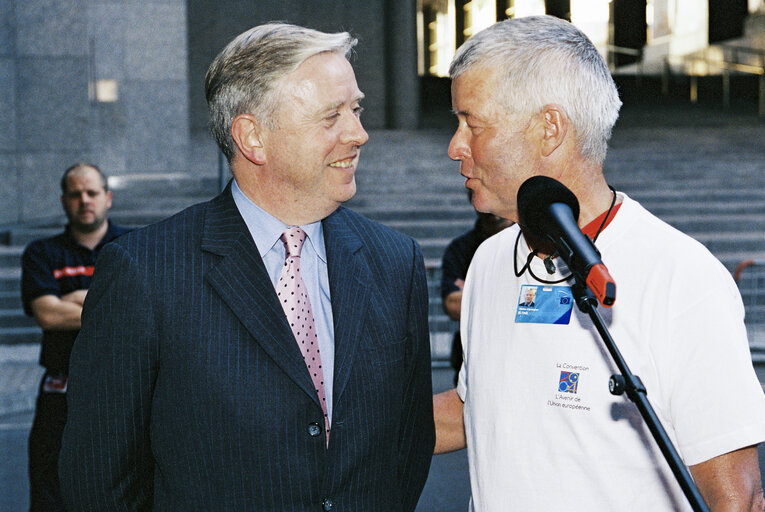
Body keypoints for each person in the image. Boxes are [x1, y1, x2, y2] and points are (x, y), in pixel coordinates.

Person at [58, 23, 434, 512]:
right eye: (331, 116)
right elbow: (98, 480)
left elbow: (406, 447)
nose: (359, 133)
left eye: (356, 109)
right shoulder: (145, 273)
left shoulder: (394, 262)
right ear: (253, 137)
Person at [433, 15, 765, 511]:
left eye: (472, 124)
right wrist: (324, 426)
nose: (455, 146)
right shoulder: (487, 262)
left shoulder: (683, 277)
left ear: (549, 129)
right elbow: (478, 405)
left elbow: (738, 499)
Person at [21, 162, 128, 512]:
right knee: (52, 497)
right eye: (75, 194)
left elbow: (144, 310)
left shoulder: (134, 246)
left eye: (92, 192)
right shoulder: (42, 253)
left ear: (108, 198)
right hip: (59, 397)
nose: (85, 200)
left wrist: (74, 297)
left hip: (122, 394)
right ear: (64, 201)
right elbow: (48, 315)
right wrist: (109, 302)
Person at [440, 191, 512, 384]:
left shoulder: (531, 243)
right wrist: (512, 292)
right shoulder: (461, 248)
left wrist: (474, 290)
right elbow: (453, 305)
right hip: (473, 360)